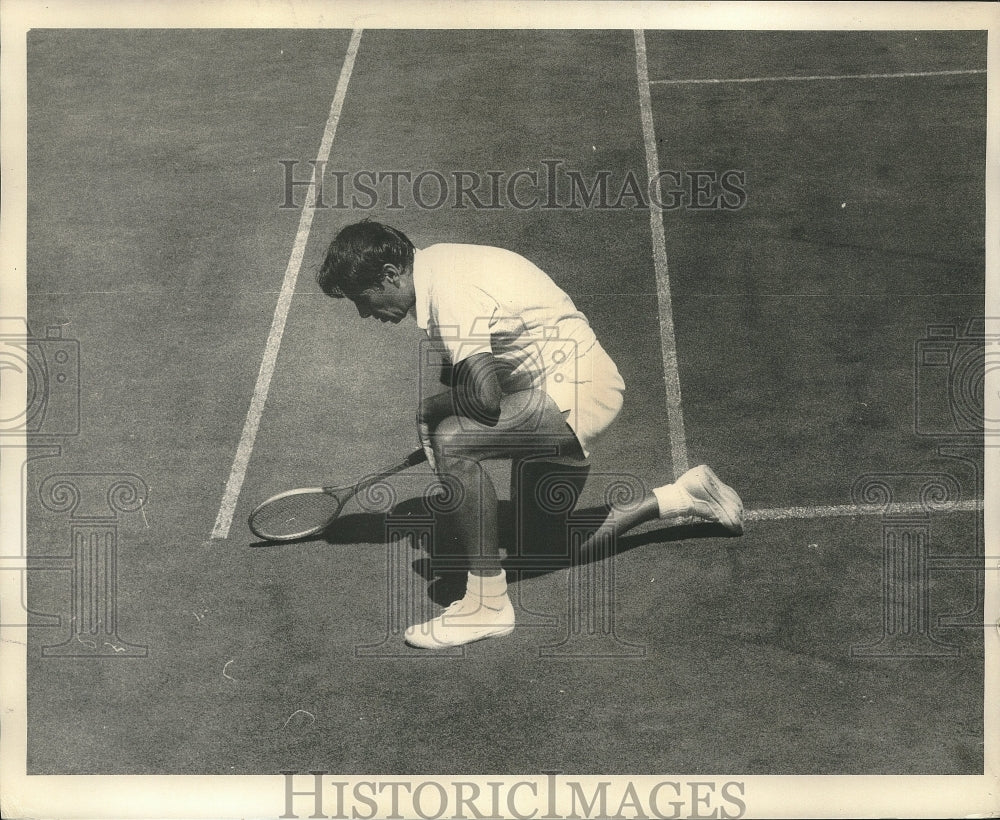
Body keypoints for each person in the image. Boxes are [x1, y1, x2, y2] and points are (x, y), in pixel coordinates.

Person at [317, 219, 743, 649]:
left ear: (391, 274)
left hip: (577, 391)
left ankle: (488, 606)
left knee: (452, 443)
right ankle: (683, 496)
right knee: (544, 543)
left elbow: (484, 399)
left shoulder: (449, 291)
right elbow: (475, 370)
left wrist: (432, 410)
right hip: (558, 389)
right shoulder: (440, 267)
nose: (364, 313)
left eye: (362, 299)